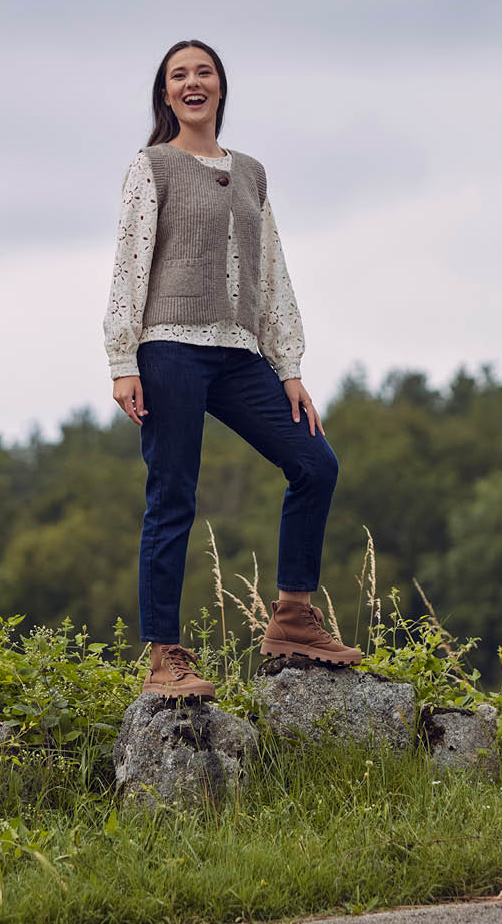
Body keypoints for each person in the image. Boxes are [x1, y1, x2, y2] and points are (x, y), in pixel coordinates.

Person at [103, 38, 362, 701]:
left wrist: (289, 365)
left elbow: (270, 269)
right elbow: (130, 260)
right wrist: (121, 357)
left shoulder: (250, 172)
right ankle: (165, 657)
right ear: (166, 95)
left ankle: (293, 619)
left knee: (314, 463)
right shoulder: (151, 166)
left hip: (241, 355)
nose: (192, 82)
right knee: (173, 495)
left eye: (204, 72)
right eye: (178, 75)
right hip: (168, 348)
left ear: (220, 87)